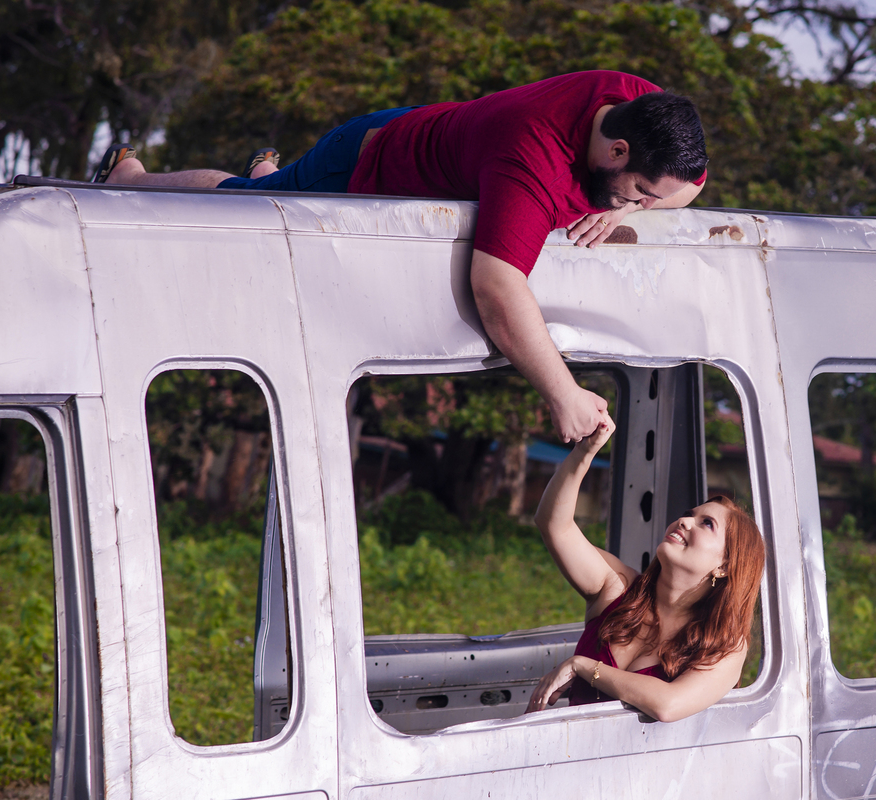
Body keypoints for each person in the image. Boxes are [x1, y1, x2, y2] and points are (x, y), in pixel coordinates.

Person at [93, 72, 709, 444]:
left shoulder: (639, 106)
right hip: (364, 161)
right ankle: (131, 177)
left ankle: (275, 172)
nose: (646, 201)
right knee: (245, 205)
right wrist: (563, 392)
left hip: (431, 134)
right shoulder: (531, 158)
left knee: (276, 189)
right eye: (639, 189)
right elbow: (496, 287)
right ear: (619, 149)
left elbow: (693, 185)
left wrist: (631, 209)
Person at [525, 416, 764, 722]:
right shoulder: (618, 587)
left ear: (726, 566)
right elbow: (554, 525)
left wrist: (582, 666)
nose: (684, 521)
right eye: (689, 514)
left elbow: (669, 705)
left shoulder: (724, 644)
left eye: (707, 524)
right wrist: (586, 451)